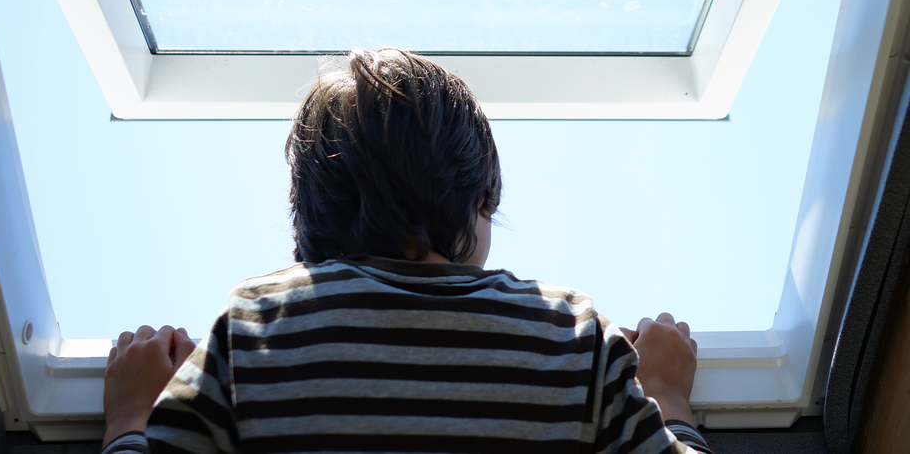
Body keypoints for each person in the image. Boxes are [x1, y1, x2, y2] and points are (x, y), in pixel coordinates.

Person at [101, 48, 713, 454]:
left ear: (311, 220)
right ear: (478, 198)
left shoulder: (254, 325)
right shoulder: (572, 335)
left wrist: (130, 419)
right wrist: (668, 400)